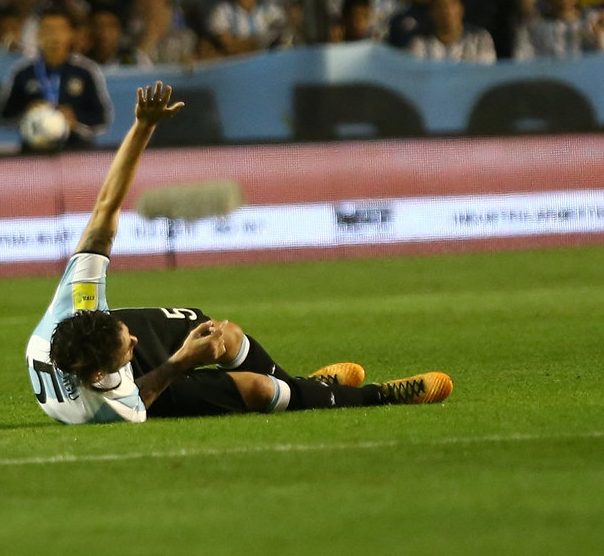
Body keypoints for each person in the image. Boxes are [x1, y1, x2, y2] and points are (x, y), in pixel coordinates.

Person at [26, 82, 453, 424]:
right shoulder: (106, 408)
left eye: (124, 333)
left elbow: (105, 208)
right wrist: (181, 362)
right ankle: (374, 396)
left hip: (94, 353)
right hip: (140, 391)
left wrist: (142, 127)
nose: (134, 340)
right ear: (102, 374)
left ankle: (306, 386)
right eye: (128, 347)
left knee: (213, 331)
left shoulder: (74, 306)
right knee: (260, 391)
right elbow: (144, 393)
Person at [0, 9, 112, 150]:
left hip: (76, 149)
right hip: (34, 149)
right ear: (39, 35)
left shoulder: (85, 72)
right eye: (48, 30)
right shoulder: (23, 73)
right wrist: (26, 113)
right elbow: (5, 116)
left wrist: (75, 119)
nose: (54, 36)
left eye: (60, 30)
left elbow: (101, 119)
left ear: (71, 34)